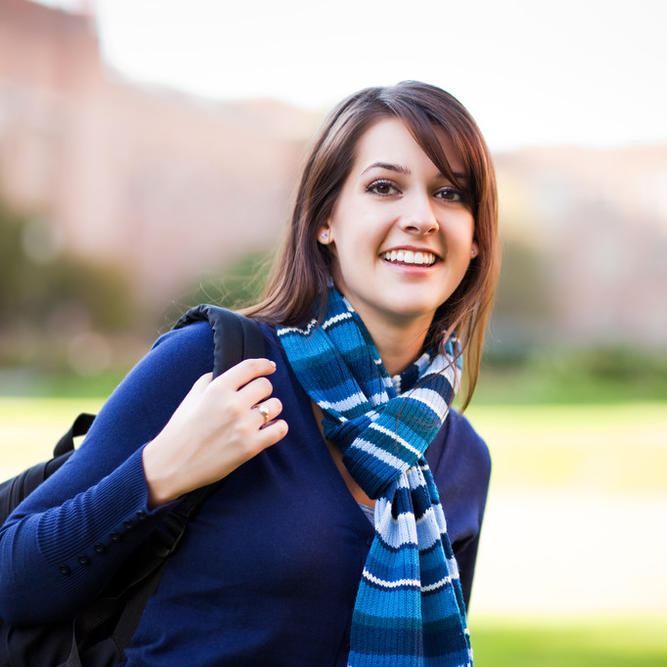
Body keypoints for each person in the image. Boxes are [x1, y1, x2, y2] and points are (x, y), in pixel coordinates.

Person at [0, 81, 498, 666]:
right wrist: (160, 473)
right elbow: (14, 577)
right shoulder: (216, 367)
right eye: (384, 187)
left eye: (450, 193)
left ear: (476, 242)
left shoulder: (461, 459)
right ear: (325, 221)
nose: (421, 217)